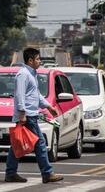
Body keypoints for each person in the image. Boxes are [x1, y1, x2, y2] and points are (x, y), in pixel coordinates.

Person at [5, 48, 64, 184]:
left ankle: (10, 173)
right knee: (40, 144)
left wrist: (49, 106)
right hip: (27, 116)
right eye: (37, 59)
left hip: (31, 115)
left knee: (17, 145)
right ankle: (47, 173)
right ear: (30, 60)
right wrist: (22, 113)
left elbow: (35, 95)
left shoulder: (32, 74)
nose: (40, 61)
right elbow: (20, 95)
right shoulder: (23, 74)